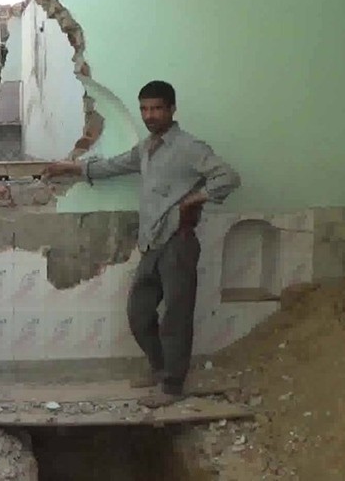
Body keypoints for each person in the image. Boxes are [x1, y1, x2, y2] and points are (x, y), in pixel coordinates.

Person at [44, 81, 241, 408]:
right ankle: (160, 368)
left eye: (157, 108)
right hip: (151, 242)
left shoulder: (190, 147)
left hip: (178, 242)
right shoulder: (147, 148)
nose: (150, 115)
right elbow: (113, 165)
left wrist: (195, 198)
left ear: (172, 109)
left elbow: (228, 177)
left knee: (176, 317)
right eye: (145, 109)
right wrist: (72, 167)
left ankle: (172, 386)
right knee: (139, 313)